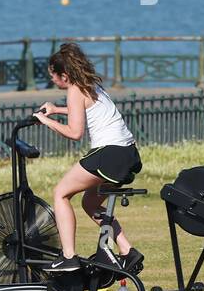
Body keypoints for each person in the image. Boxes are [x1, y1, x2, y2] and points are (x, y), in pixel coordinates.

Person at [33, 43, 144, 273]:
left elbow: (75, 133)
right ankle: (127, 251)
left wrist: (47, 121)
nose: (52, 80)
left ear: (64, 75)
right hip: (128, 153)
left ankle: (69, 256)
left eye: (53, 76)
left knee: (60, 193)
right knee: (90, 203)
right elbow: (84, 109)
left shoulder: (74, 90)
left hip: (109, 153)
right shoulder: (89, 85)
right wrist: (56, 109)